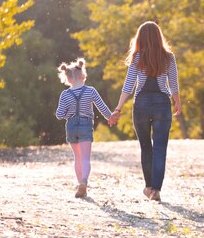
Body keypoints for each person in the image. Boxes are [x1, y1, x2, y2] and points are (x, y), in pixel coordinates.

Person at [109, 21, 181, 202]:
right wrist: (177, 103)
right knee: (160, 148)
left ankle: (148, 186)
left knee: (145, 147)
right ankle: (156, 190)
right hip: (162, 104)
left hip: (141, 104)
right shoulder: (169, 57)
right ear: (159, 36)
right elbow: (173, 84)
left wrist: (118, 108)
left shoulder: (137, 57)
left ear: (140, 37)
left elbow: (128, 85)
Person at [56, 58, 113, 199]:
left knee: (77, 157)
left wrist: (68, 113)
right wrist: (110, 117)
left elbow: (59, 114)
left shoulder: (65, 94)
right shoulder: (90, 91)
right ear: (83, 76)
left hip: (71, 126)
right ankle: (83, 183)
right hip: (86, 124)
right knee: (86, 158)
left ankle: (79, 184)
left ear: (68, 80)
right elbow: (102, 107)